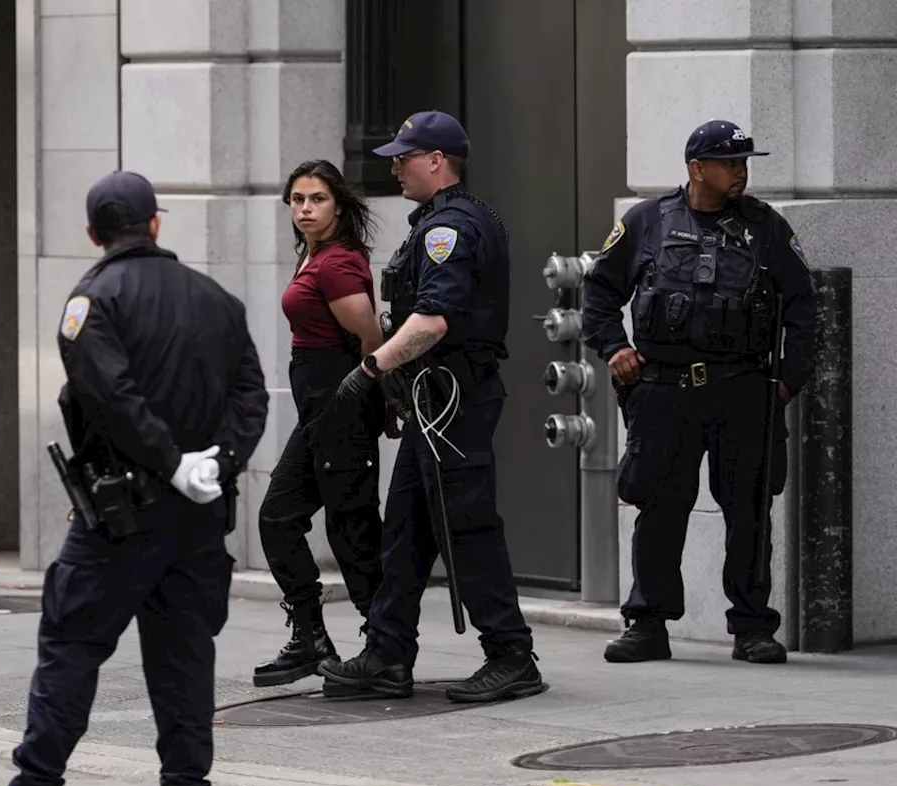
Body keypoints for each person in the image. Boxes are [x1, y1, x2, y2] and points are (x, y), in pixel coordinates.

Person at [0, 170, 269, 786]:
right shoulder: (219, 301)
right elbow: (253, 397)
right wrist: (218, 463)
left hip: (125, 512)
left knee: (71, 639)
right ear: (156, 223)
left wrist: (171, 463)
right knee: (184, 650)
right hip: (201, 510)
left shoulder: (93, 301)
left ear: (93, 233)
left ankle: (38, 784)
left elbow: (110, 397)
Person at [316, 111, 543, 704]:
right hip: (433, 399)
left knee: (466, 527)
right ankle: (389, 653)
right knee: (408, 530)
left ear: (437, 160)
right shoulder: (441, 222)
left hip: (452, 400)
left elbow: (435, 318)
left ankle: (511, 654)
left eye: (405, 156)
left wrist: (371, 367)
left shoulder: (451, 229)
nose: (395, 165)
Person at [582, 119, 816, 665]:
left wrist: (788, 379)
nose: (741, 172)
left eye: (744, 162)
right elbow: (598, 290)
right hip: (664, 391)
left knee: (749, 511)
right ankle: (647, 623)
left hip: (744, 392)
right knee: (661, 508)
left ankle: (753, 627)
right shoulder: (646, 222)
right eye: (729, 163)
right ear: (696, 169)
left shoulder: (767, 229)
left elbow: (804, 305)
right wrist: (615, 346)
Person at [252, 159, 387, 688]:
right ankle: (310, 637)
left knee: (351, 527)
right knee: (278, 517)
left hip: (340, 405)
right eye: (297, 200)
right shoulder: (313, 258)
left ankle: (385, 646)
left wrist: (367, 402)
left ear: (338, 205)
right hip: (317, 409)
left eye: (317, 199)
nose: (305, 209)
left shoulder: (336, 263)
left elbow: (371, 340)